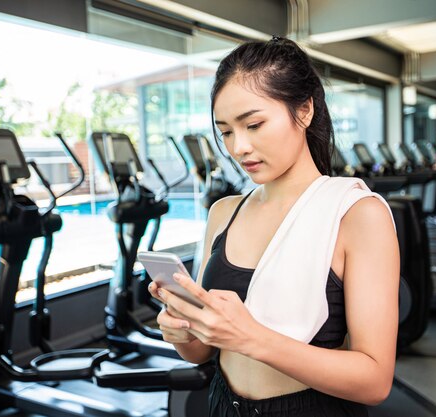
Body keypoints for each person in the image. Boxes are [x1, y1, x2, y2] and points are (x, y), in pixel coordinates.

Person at [148, 37, 399, 416]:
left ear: (304, 110)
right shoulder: (223, 212)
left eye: (254, 124)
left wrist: (250, 337)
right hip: (222, 404)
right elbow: (202, 351)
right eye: (227, 132)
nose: (239, 147)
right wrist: (182, 330)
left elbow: (375, 381)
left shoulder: (357, 214)